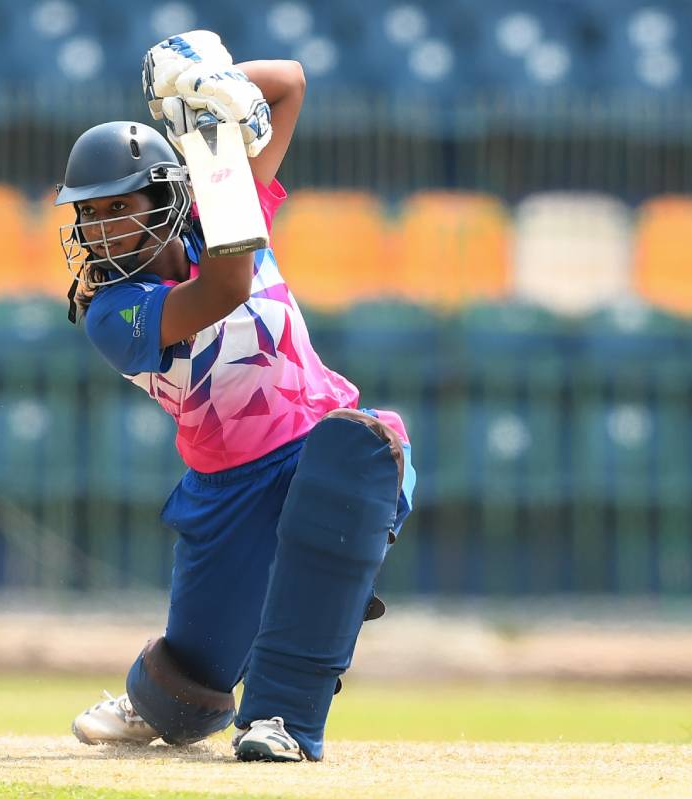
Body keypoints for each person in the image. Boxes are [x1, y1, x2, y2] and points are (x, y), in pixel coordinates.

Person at [56, 31, 416, 763]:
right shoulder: (111, 313)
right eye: (88, 214)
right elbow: (226, 286)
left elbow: (290, 83)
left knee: (359, 451)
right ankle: (149, 700)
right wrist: (215, 141)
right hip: (226, 489)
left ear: (165, 196)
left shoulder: (220, 211)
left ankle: (283, 718)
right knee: (186, 694)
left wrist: (207, 87)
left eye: (118, 206)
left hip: (320, 443)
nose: (100, 228)